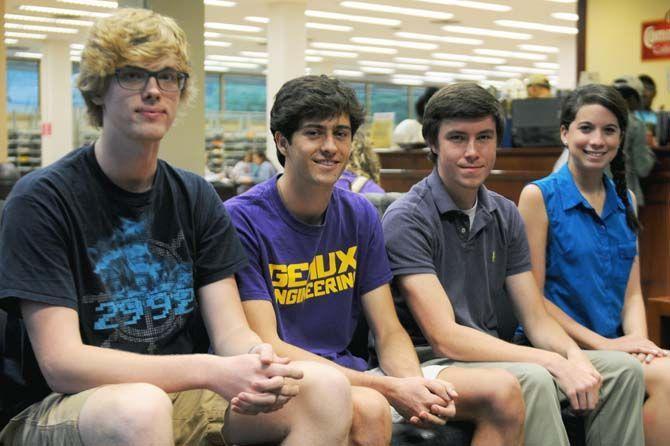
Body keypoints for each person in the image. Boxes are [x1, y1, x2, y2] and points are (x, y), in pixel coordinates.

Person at [0, 9, 354, 446]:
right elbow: (63, 363)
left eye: (168, 77)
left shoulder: (195, 195)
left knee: (326, 389)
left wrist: (257, 360)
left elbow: (230, 332)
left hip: (177, 395)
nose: (153, 91)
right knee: (140, 406)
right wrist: (208, 370)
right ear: (98, 89)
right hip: (63, 406)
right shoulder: (42, 199)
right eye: (132, 75)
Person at [226, 75, 525, 446]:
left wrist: (411, 383)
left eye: (341, 133)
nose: (330, 147)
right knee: (369, 406)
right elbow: (269, 343)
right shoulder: (241, 219)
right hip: (277, 383)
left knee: (503, 391)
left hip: (357, 374)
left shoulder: (359, 214)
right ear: (282, 142)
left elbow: (388, 331)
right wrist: (386, 386)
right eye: (314, 133)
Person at [382, 82, 646, 446]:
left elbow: (535, 316)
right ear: (433, 143)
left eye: (485, 138)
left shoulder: (504, 213)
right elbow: (445, 338)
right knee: (535, 376)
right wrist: (550, 362)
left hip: (492, 355)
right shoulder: (408, 217)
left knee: (625, 371)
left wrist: (572, 355)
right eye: (458, 138)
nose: (472, 152)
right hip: (428, 365)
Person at [517, 83, 670, 446]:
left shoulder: (626, 198)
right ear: (565, 133)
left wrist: (638, 342)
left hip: (612, 345)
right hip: (556, 347)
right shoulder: (538, 196)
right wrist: (604, 344)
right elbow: (532, 299)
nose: (597, 140)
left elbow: (631, 293)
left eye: (609, 130)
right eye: (586, 128)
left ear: (621, 137)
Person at [612, 76, 656, 206]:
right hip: (624, 195)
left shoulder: (600, 118)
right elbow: (643, 168)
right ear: (633, 98)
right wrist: (650, 150)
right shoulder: (636, 124)